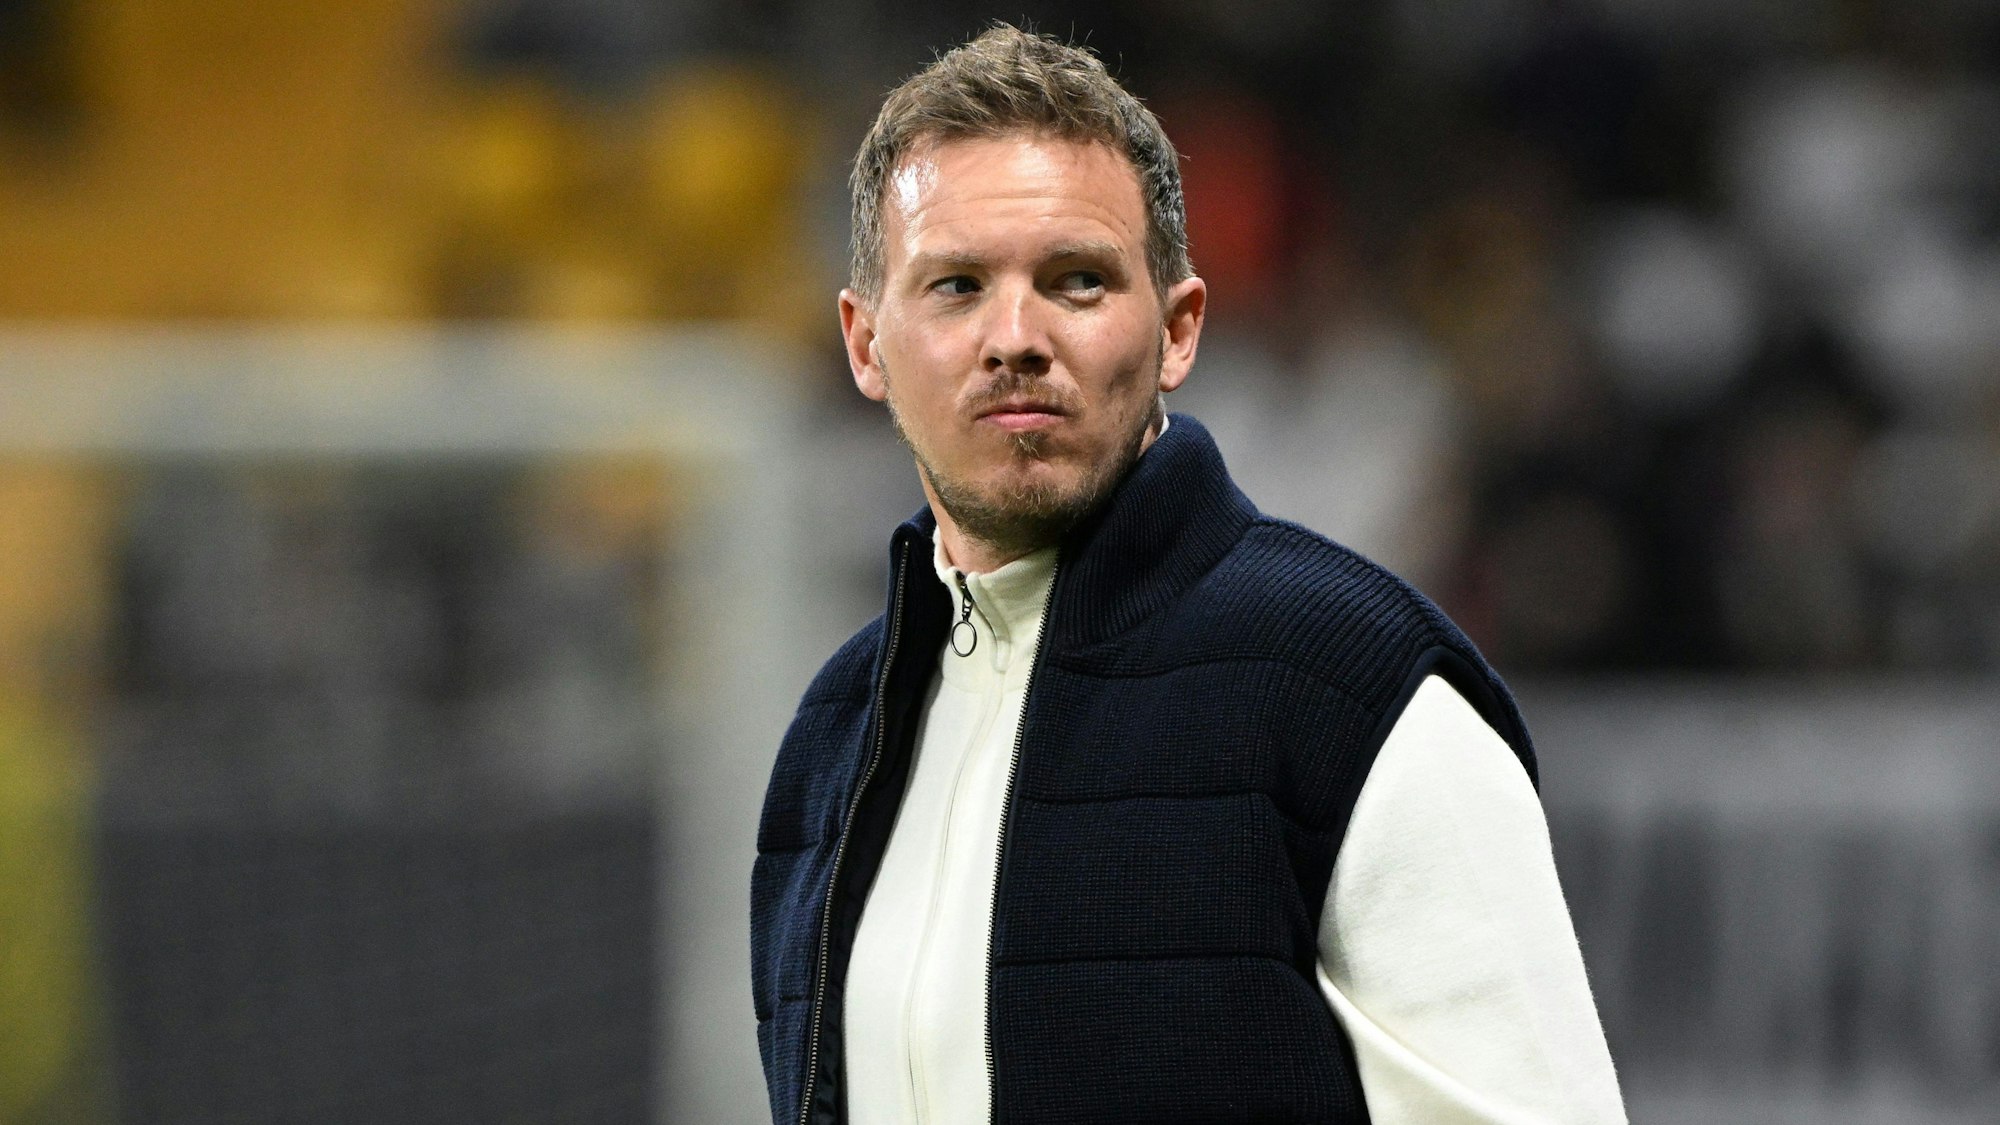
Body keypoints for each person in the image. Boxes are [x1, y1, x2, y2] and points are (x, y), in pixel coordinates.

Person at [751, 24, 1625, 1125]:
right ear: (866, 343)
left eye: (1074, 281)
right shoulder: (834, 738)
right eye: (956, 285)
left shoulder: (1358, 693)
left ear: (1176, 331)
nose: (1012, 335)